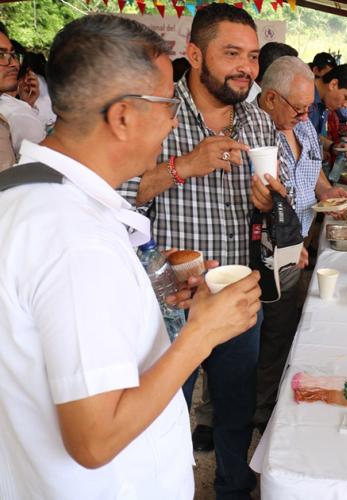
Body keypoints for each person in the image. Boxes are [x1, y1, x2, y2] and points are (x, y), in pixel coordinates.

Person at [0, 15, 261, 498]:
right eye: (166, 105)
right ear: (121, 116)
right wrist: (203, 333)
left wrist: (156, 287)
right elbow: (95, 440)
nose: (174, 119)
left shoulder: (35, 191)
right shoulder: (73, 237)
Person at [118, 5, 281, 498]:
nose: (246, 69)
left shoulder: (258, 122)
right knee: (162, 414)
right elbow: (116, 194)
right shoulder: (155, 113)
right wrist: (182, 167)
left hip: (236, 296)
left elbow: (279, 212)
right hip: (169, 301)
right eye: (231, 54)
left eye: (252, 57)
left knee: (234, 415)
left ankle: (231, 492)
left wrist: (269, 204)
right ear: (193, 54)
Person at [254, 55, 347, 427]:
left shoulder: (305, 126)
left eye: (309, 106)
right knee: (246, 335)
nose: (304, 114)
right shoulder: (255, 132)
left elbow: (314, 172)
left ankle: (264, 409)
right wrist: (289, 244)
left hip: (296, 251)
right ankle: (219, 414)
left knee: (279, 331)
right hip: (263, 250)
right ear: (270, 98)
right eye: (298, 107)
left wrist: (330, 191)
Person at [0, 24, 47, 154]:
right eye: (0, 55)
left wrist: (27, 105)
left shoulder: (14, 110)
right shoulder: (16, 113)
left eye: (13, 54)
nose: (15, 64)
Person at [308, 62, 347, 155]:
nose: (346, 105)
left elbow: (311, 135)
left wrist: (332, 146)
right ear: (333, 84)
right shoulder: (305, 97)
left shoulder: (324, 103)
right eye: (346, 98)